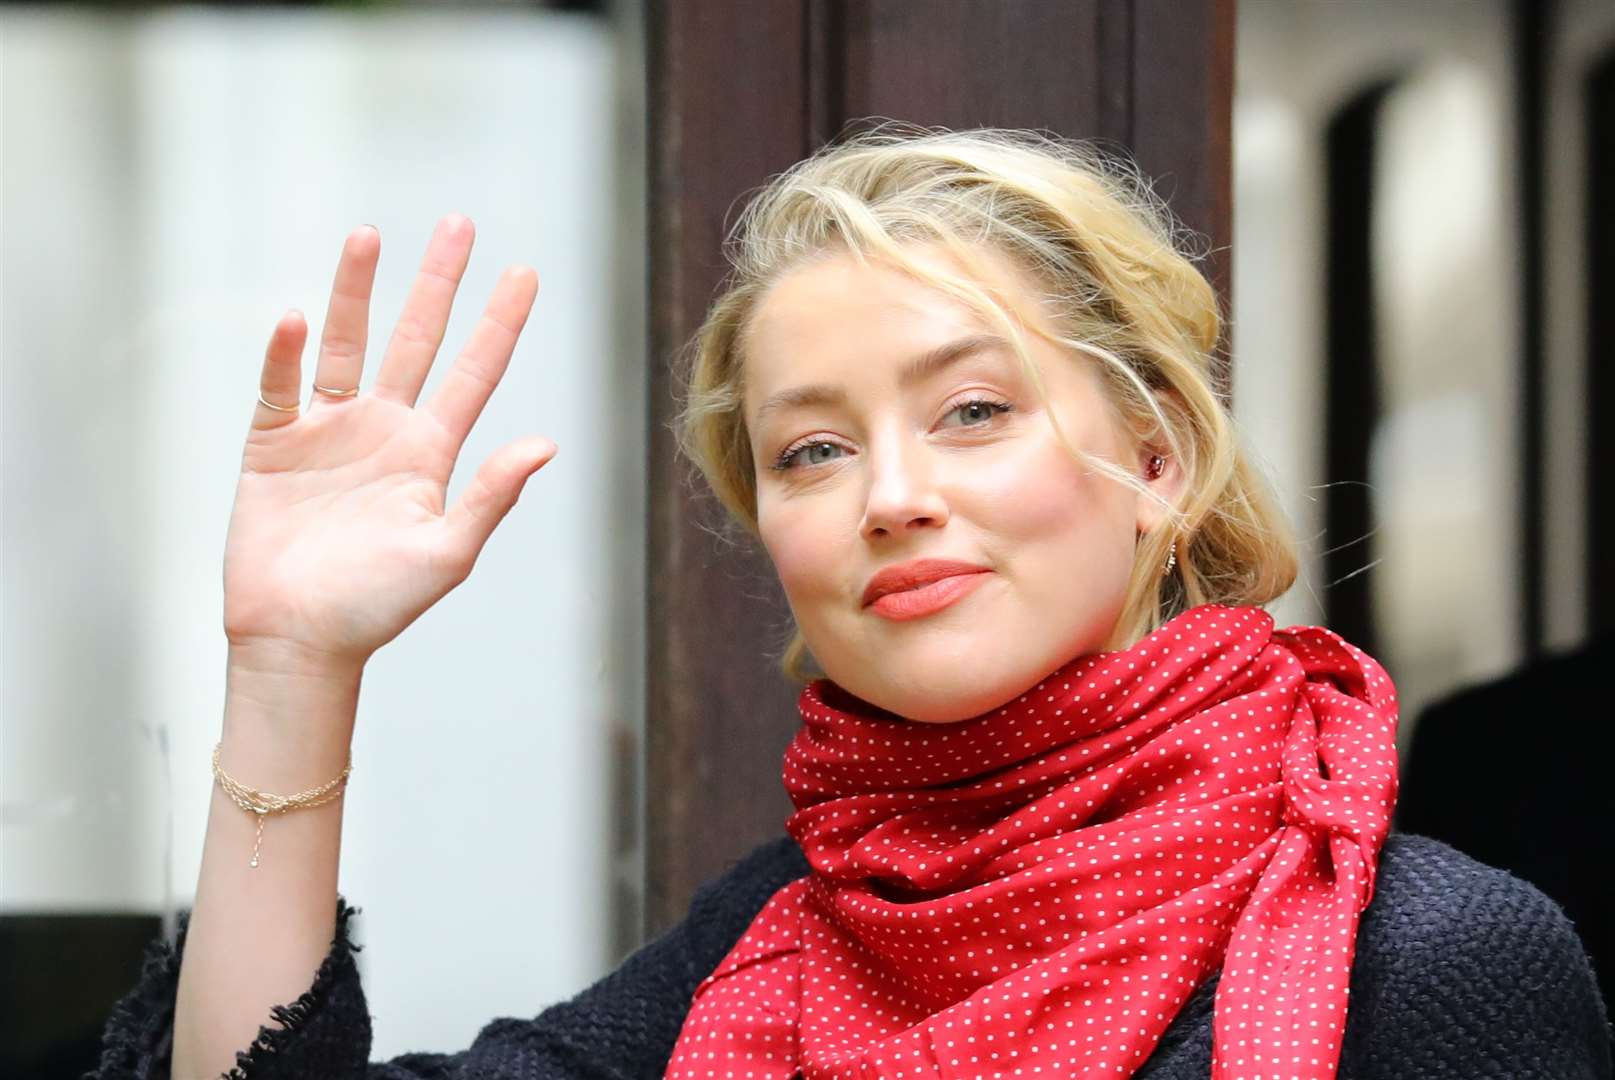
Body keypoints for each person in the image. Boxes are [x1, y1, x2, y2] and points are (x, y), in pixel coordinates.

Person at [90, 126, 1611, 1080]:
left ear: (1157, 458)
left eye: (970, 412)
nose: (889, 493)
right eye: (812, 450)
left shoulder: (1430, 962)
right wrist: (292, 666)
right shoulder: (782, 934)